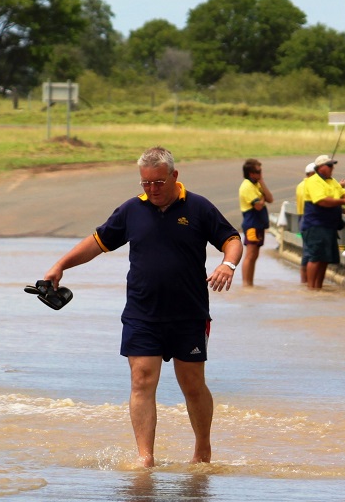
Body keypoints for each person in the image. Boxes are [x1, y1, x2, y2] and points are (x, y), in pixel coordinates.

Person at [42, 147, 242, 468]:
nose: (152, 189)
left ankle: (202, 450)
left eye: (158, 182)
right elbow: (97, 242)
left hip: (188, 314)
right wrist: (61, 265)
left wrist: (228, 265)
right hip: (142, 314)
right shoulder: (132, 210)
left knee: (192, 384)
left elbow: (232, 239)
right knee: (141, 380)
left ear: (174, 176)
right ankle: (145, 458)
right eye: (146, 183)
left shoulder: (199, 207)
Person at [299, 154, 345, 291]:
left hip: (329, 226)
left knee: (324, 258)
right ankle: (311, 289)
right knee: (315, 257)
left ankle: (318, 288)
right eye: (330, 165)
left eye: (333, 165)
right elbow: (321, 201)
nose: (333, 168)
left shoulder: (332, 181)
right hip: (315, 225)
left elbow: (343, 193)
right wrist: (344, 202)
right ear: (321, 168)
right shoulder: (313, 181)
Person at [237, 159, 273, 287]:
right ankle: (246, 283)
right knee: (250, 254)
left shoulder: (257, 184)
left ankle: (250, 283)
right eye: (258, 171)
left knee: (255, 254)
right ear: (251, 173)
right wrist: (262, 199)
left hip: (259, 224)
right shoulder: (247, 186)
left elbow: (270, 199)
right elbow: (258, 206)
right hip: (252, 223)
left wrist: (262, 182)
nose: (260, 174)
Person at [292, 161, 316, 285]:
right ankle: (306, 282)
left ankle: (304, 282)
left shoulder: (300, 185)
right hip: (308, 219)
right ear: (311, 173)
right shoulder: (309, 186)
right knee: (309, 252)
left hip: (302, 219)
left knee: (307, 251)